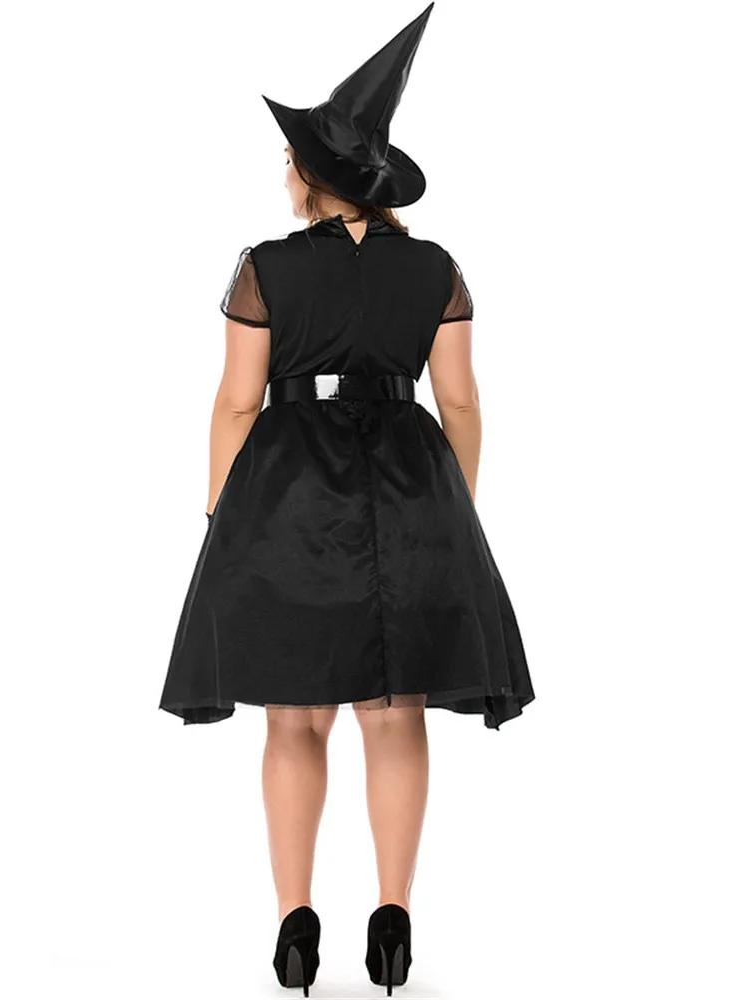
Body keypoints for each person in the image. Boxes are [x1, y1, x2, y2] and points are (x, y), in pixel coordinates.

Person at [158, 4, 534, 994]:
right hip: (412, 492)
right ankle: (394, 919)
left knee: (293, 718)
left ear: (313, 175)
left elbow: (236, 401)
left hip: (287, 496)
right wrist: (453, 510)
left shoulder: (266, 268)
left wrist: (220, 516)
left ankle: (294, 924)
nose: (283, 171)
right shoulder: (436, 268)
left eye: (291, 159)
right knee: (394, 712)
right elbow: (459, 400)